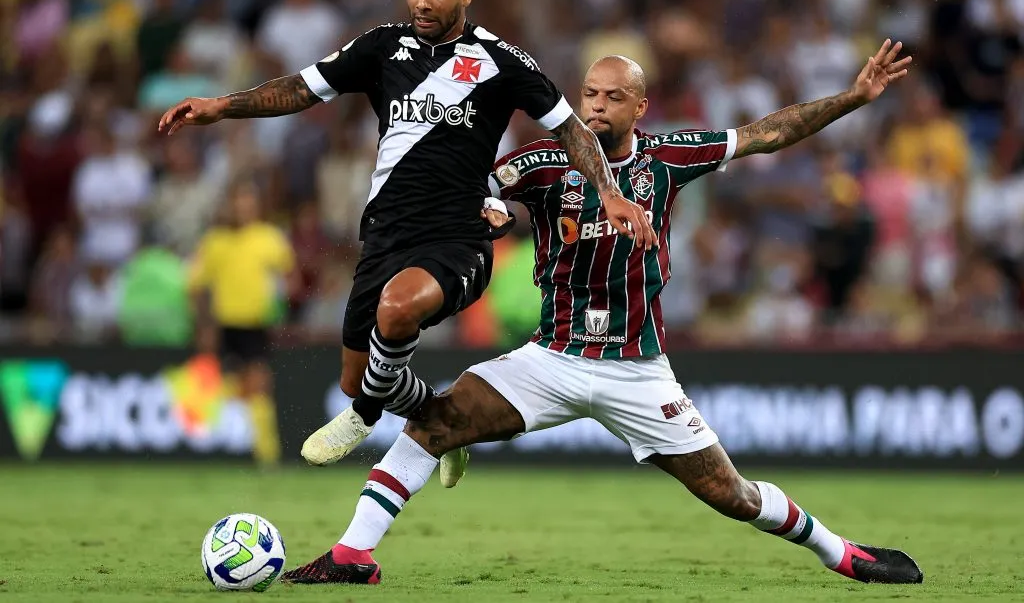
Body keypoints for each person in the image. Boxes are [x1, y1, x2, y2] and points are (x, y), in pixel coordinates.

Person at [281, 42, 924, 587]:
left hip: (636, 368)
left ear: (640, 107)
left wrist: (851, 97)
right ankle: (351, 554)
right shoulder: (542, 161)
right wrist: (492, 207)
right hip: (550, 358)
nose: (595, 105)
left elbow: (766, 133)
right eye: (590, 93)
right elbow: (481, 183)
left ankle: (844, 554)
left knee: (732, 495)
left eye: (613, 96)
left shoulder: (670, 156)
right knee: (435, 424)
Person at [157, 0, 656, 469]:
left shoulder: (503, 62)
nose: (422, 2)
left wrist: (608, 190)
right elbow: (301, 89)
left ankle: (366, 415)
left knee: (395, 314)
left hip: (458, 238)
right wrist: (220, 106)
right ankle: (441, 421)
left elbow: (572, 131)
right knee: (355, 375)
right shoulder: (381, 47)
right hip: (384, 236)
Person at [189, 180, 295, 466]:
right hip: (224, 324)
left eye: (248, 203)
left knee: (258, 386)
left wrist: (280, 308)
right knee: (231, 387)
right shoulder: (215, 242)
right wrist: (205, 324)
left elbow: (289, 279)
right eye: (238, 203)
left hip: (255, 325)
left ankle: (266, 456)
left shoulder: (269, 238)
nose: (242, 209)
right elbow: (196, 285)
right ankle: (216, 446)